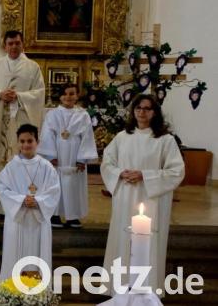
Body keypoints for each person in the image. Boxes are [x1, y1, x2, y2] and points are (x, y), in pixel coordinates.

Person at [101, 94, 184, 295]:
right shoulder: (122, 137)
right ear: (133, 111)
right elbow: (107, 163)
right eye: (138, 107)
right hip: (125, 197)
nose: (142, 112)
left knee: (148, 242)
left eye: (147, 108)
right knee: (123, 239)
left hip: (152, 200)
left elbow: (176, 171)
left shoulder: (165, 140)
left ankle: (145, 291)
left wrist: (144, 175)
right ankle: (119, 289)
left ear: (154, 112)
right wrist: (120, 173)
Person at [0, 30, 46, 214]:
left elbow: (39, 93)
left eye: (17, 43)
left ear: (22, 44)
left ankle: (20, 200)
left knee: (18, 157)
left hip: (20, 121)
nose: (13, 47)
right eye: (10, 43)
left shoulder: (32, 67)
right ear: (4, 45)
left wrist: (19, 96)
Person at [0, 124, 60, 282]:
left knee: (37, 256)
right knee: (15, 255)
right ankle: (13, 291)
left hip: (38, 220)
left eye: (30, 141)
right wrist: (22, 200)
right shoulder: (10, 167)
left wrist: (38, 201)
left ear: (37, 142)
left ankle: (36, 294)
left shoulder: (47, 167)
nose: (26, 145)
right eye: (22, 141)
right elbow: (3, 190)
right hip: (18, 220)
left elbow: (54, 190)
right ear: (17, 142)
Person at [38, 84, 98, 228]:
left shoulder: (83, 115)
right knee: (55, 183)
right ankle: (55, 214)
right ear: (60, 96)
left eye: (71, 94)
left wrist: (82, 159)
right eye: (64, 94)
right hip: (57, 152)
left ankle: (73, 216)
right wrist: (50, 155)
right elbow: (47, 134)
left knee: (74, 185)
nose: (68, 97)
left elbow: (87, 136)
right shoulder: (52, 114)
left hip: (75, 151)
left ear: (77, 96)